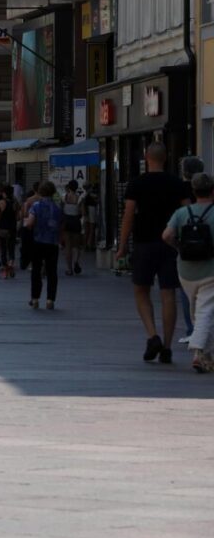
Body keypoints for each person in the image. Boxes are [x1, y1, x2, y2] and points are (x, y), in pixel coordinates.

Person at [116, 142, 190, 364]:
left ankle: (152, 335)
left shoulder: (137, 184)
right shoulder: (177, 184)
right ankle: (167, 346)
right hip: (171, 244)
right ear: (166, 158)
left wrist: (121, 246)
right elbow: (187, 214)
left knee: (141, 291)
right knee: (168, 294)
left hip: (144, 243)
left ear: (146, 157)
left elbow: (128, 215)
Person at [163, 172, 214, 372]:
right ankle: (199, 350)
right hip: (210, 270)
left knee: (197, 310)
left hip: (185, 270)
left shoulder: (182, 213)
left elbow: (166, 235)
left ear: (194, 192)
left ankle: (205, 354)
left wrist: (179, 248)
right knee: (205, 311)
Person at [178, 156, 206, 345]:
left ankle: (192, 329)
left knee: (186, 289)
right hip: (207, 245)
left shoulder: (180, 189)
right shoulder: (208, 190)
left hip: (186, 246)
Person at [24, 180, 64, 309]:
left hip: (38, 241)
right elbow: (61, 226)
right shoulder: (57, 208)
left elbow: (30, 223)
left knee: (36, 270)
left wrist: (27, 226)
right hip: (52, 242)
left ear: (40, 191)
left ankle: (35, 299)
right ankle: (50, 300)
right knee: (52, 271)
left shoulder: (36, 206)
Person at [0, 185, 18, 279]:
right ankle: (11, 266)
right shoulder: (15, 202)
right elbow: (19, 216)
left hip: (3, 228)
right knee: (11, 248)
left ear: (4, 193)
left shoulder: (1, 202)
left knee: (3, 249)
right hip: (12, 228)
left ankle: (5, 270)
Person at [61, 180, 83, 276]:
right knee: (76, 245)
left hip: (67, 222)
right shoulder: (79, 198)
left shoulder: (64, 197)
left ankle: (69, 269)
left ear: (69, 187)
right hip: (76, 221)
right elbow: (83, 212)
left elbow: (61, 209)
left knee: (68, 246)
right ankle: (76, 261)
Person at [82, 182, 100, 250]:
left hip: (86, 211)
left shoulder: (84, 194)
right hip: (92, 209)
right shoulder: (92, 193)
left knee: (87, 229)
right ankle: (90, 245)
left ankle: (85, 245)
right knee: (92, 228)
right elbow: (97, 201)